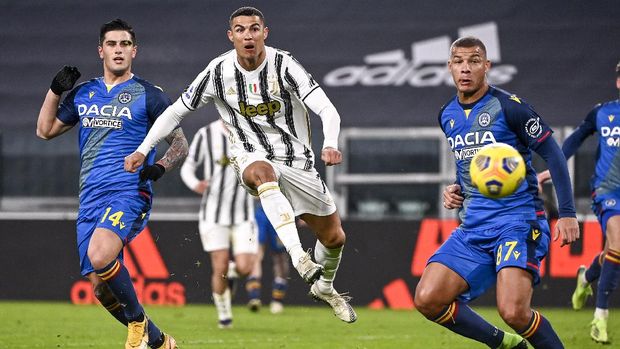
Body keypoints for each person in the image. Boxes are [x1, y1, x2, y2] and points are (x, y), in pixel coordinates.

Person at [125, 6, 357, 323]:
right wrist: (143, 149)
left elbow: (327, 110)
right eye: (241, 29)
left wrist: (330, 142)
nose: (248, 35)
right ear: (231, 36)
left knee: (334, 238)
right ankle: (299, 258)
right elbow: (176, 111)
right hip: (251, 155)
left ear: (265, 33)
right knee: (261, 172)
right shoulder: (218, 71)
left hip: (298, 161)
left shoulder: (284, 64)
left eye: (254, 28)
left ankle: (325, 288)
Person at [413, 36, 580, 349]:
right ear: (449, 67)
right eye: (459, 62)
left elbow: (554, 153)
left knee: (514, 311)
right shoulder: (447, 115)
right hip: (474, 226)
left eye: (474, 61)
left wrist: (568, 213)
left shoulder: (509, 108)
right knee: (428, 299)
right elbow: (472, 164)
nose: (466, 68)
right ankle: (506, 344)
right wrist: (457, 188)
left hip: (518, 222)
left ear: (486, 66)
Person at [36, 19, 187, 349]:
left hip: (128, 191)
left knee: (102, 254)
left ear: (134, 50)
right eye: (112, 44)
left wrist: (160, 167)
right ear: (100, 50)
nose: (118, 50)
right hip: (90, 196)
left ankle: (136, 323)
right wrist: (54, 90)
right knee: (100, 287)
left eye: (124, 44)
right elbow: (44, 131)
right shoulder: (83, 93)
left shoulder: (149, 95)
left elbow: (180, 144)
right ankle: (160, 341)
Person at [537, 61, 620, 344]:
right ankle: (600, 318)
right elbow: (575, 138)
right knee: (619, 245)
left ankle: (586, 277)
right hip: (607, 190)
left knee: (613, 252)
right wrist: (553, 167)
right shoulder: (603, 112)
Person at [180, 120, 258, 329]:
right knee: (219, 265)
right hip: (213, 215)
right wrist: (195, 183)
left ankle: (233, 273)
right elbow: (188, 166)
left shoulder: (252, 130)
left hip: (243, 214)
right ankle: (224, 316)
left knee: (245, 267)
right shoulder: (206, 133)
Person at [246, 202, 290, 314]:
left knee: (280, 256)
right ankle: (254, 297)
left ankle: (277, 300)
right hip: (258, 211)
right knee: (256, 253)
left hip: (279, 213)